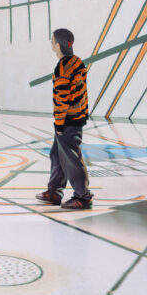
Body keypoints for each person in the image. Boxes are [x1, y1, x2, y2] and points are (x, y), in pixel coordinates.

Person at [36, 28, 93, 209]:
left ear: (58, 45)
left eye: (52, 41)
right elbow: (83, 92)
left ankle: (83, 197)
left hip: (68, 120)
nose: (51, 43)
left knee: (71, 159)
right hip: (77, 117)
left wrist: (59, 125)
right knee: (57, 154)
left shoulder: (62, 68)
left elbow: (62, 100)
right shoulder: (77, 62)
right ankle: (54, 192)